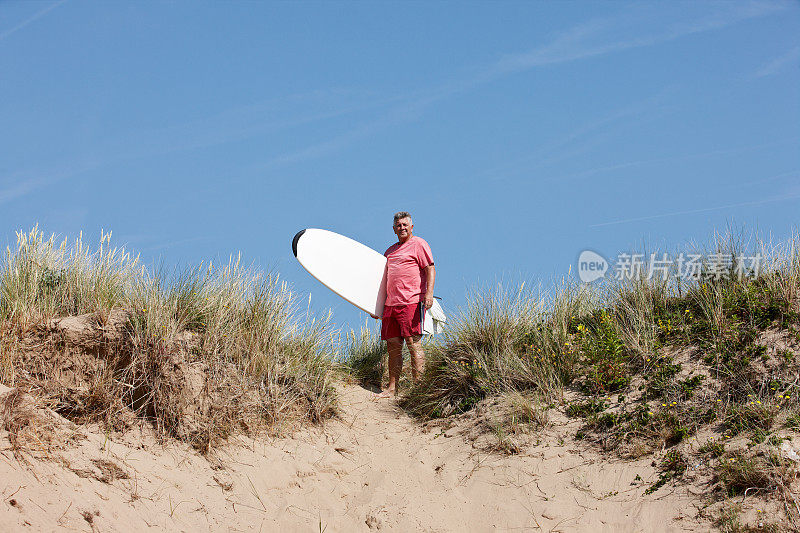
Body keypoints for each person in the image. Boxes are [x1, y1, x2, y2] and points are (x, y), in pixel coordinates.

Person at [375, 211, 435, 399]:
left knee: (412, 343)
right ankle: (392, 389)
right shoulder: (389, 252)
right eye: (398, 225)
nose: (402, 228)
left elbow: (430, 268)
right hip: (391, 305)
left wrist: (429, 293)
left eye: (405, 225)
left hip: (411, 301)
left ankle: (419, 389)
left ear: (411, 226)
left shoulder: (419, 244)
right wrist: (376, 306)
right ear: (394, 229)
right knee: (393, 346)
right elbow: (381, 281)